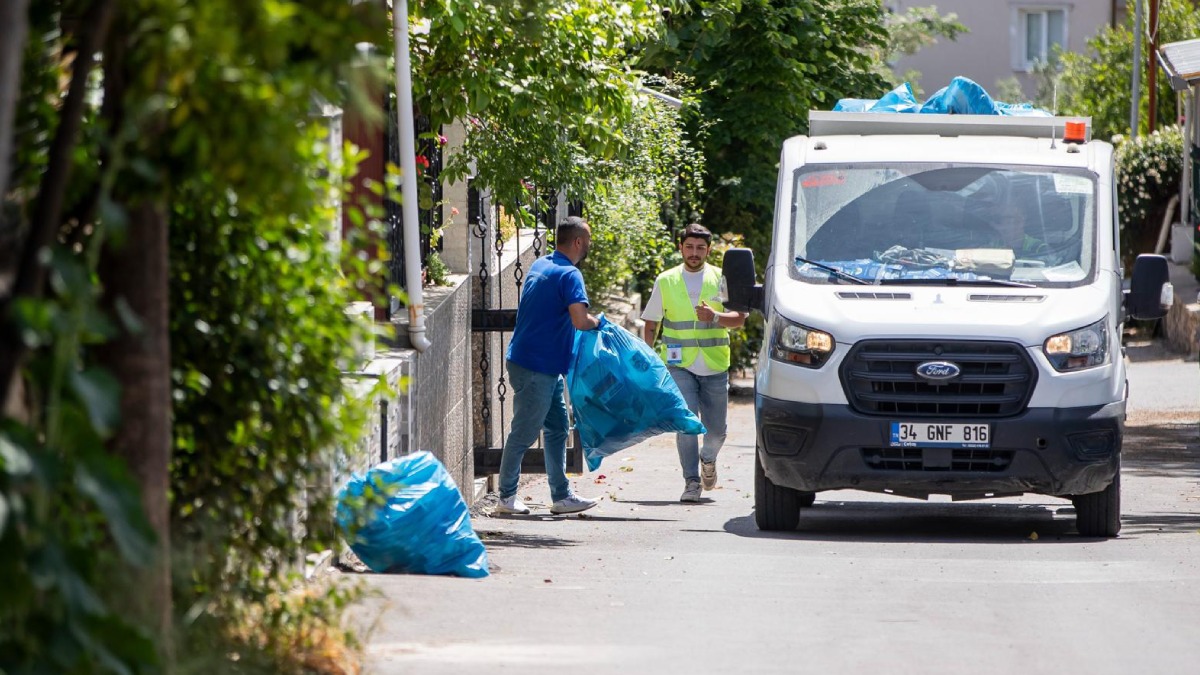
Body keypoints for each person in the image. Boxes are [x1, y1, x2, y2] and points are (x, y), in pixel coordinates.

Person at [494, 216, 601, 516]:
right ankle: (506, 497)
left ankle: (561, 496)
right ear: (578, 242)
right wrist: (600, 324)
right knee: (524, 432)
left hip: (535, 362)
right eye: (588, 241)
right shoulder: (570, 274)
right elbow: (580, 321)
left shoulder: (541, 264)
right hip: (536, 366)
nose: (588, 246)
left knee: (556, 428)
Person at [641, 223, 747, 502]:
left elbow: (739, 319)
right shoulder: (666, 280)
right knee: (685, 423)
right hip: (679, 365)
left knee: (716, 431)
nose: (694, 252)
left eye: (700, 248)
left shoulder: (721, 279)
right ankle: (691, 481)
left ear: (709, 250)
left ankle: (708, 459)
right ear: (681, 248)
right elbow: (652, 323)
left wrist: (714, 316)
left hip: (714, 364)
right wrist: (648, 359)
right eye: (689, 246)